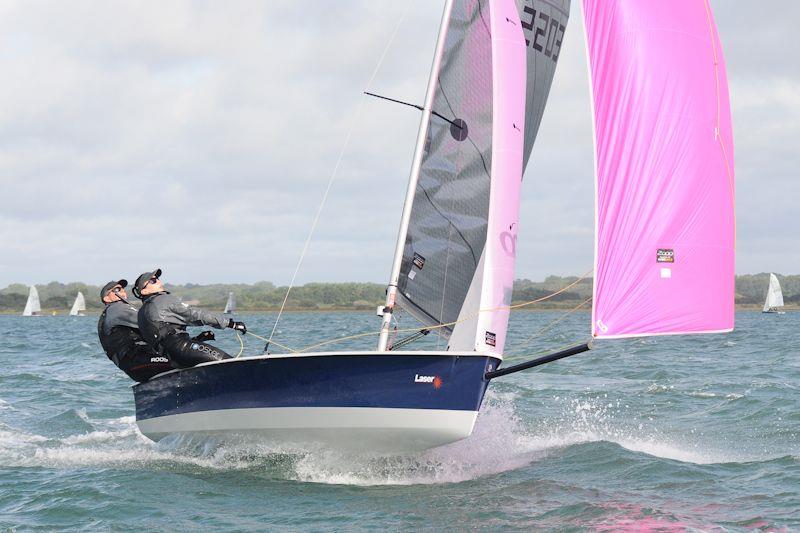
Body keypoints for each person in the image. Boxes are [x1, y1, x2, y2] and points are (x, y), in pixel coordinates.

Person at [133, 268, 247, 368]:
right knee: (232, 364)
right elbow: (195, 314)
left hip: (172, 359)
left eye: (157, 278)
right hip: (182, 348)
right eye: (152, 281)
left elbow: (165, 336)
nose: (158, 281)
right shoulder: (163, 300)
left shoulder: (141, 313)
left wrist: (197, 339)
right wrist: (230, 323)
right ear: (144, 291)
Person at [97, 279, 173, 382]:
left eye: (123, 289)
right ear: (107, 298)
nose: (122, 292)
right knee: (180, 360)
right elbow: (150, 323)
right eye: (117, 289)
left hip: (133, 367)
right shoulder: (118, 308)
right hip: (138, 360)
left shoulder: (108, 314)